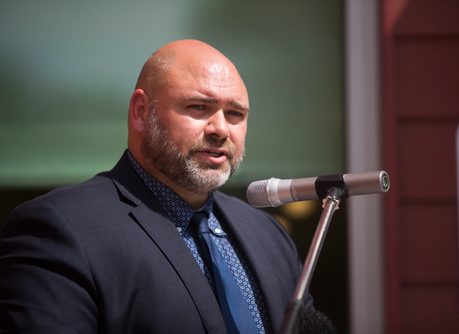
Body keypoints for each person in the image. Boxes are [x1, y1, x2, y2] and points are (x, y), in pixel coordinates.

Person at [0, 39, 335, 333]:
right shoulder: (60, 229)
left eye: (235, 114)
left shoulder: (268, 235)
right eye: (199, 107)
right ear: (141, 112)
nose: (220, 129)